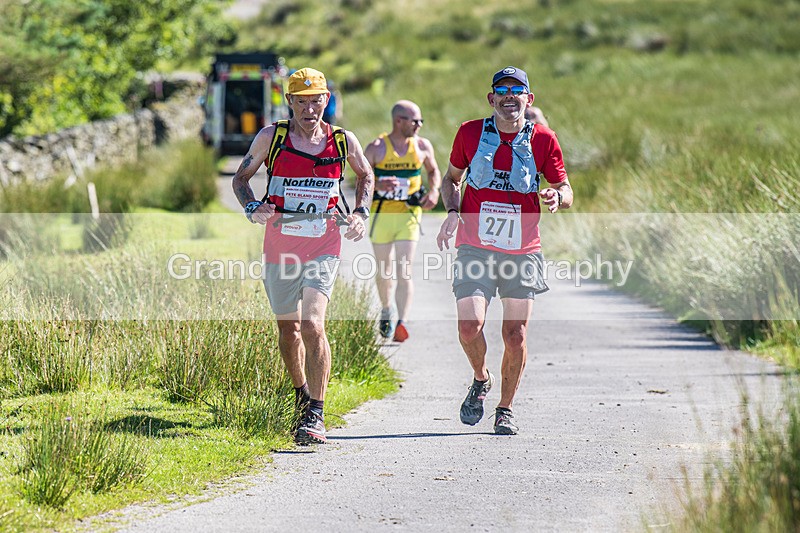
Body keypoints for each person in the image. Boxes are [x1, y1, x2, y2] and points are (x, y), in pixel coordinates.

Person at [232, 67, 374, 445]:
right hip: (279, 248)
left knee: (312, 324)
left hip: (323, 246)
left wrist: (360, 214)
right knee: (288, 328)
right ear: (289, 102)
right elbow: (240, 179)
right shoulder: (272, 137)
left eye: (317, 101)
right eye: (302, 102)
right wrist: (252, 208)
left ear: (326, 101)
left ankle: (315, 412)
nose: (310, 109)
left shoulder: (342, 141)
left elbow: (366, 175)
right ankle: (299, 393)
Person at [436, 66, 573, 435]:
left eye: (518, 90)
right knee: (469, 327)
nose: (509, 96)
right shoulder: (470, 133)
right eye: (502, 89)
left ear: (529, 99)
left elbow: (566, 188)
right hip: (474, 247)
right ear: (491, 98)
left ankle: (505, 409)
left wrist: (557, 196)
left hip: (521, 249)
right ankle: (481, 379)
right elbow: (450, 180)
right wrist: (451, 211)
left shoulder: (544, 138)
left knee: (516, 335)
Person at [364, 100, 441, 342]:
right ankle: (387, 309)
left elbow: (433, 171)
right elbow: (360, 178)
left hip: (409, 215)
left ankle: (402, 322)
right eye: (415, 120)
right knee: (384, 271)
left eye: (421, 121)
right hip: (382, 216)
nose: (419, 125)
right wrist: (378, 183)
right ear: (399, 122)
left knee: (404, 270)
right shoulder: (376, 148)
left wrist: (434, 191)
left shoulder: (421, 145)